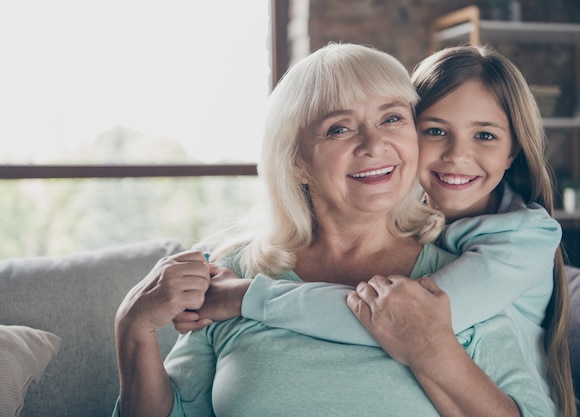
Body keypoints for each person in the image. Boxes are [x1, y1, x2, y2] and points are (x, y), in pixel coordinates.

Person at [113, 43, 554, 417]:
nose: (373, 144)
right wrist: (132, 329)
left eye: (392, 118)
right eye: (338, 128)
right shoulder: (230, 269)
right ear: (296, 161)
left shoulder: (460, 274)